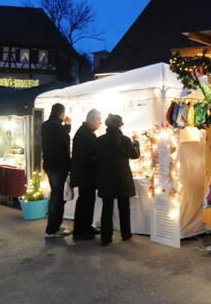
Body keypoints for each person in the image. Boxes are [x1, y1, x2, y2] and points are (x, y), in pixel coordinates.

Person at [94, 114, 140, 246]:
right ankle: (126, 234)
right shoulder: (124, 140)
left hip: (105, 177)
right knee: (124, 207)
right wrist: (135, 142)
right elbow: (135, 155)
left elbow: (96, 158)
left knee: (107, 208)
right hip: (122, 178)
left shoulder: (100, 140)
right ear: (120, 125)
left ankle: (106, 238)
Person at [41, 103, 73, 238]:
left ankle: (52, 227)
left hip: (49, 165)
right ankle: (53, 229)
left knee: (55, 196)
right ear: (62, 114)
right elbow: (64, 146)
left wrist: (66, 126)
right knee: (58, 198)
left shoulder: (45, 125)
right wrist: (70, 167)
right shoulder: (58, 127)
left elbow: (58, 138)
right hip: (59, 167)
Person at [70, 108, 102, 241]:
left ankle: (87, 226)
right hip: (85, 175)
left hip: (88, 174)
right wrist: (98, 158)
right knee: (84, 202)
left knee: (89, 201)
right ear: (91, 120)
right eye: (98, 120)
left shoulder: (87, 132)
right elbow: (85, 157)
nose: (100, 123)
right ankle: (79, 231)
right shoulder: (84, 134)